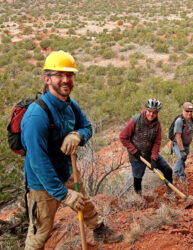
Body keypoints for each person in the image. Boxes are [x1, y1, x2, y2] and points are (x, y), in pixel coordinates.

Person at [21, 51, 123, 249]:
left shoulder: (70, 104)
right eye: (59, 75)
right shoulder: (36, 116)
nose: (65, 80)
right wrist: (64, 194)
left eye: (69, 75)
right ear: (47, 79)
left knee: (84, 202)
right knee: (40, 232)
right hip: (42, 184)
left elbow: (87, 127)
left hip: (67, 171)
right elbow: (38, 162)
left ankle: (99, 230)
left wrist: (78, 135)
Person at [120, 98, 175, 199]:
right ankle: (138, 198)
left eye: (154, 112)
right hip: (137, 156)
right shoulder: (135, 120)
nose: (151, 114)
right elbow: (123, 137)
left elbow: (157, 142)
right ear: (145, 109)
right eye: (149, 111)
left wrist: (154, 158)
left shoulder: (157, 125)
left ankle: (169, 193)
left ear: (157, 113)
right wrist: (134, 151)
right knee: (138, 178)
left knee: (167, 170)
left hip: (150, 154)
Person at [171, 102, 193, 185]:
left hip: (187, 145)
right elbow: (178, 136)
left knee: (183, 160)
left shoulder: (190, 120)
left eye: (191, 111)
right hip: (178, 144)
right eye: (187, 111)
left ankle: (180, 177)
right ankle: (176, 176)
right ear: (183, 110)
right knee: (181, 158)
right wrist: (181, 149)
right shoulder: (179, 121)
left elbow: (190, 128)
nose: (189, 113)